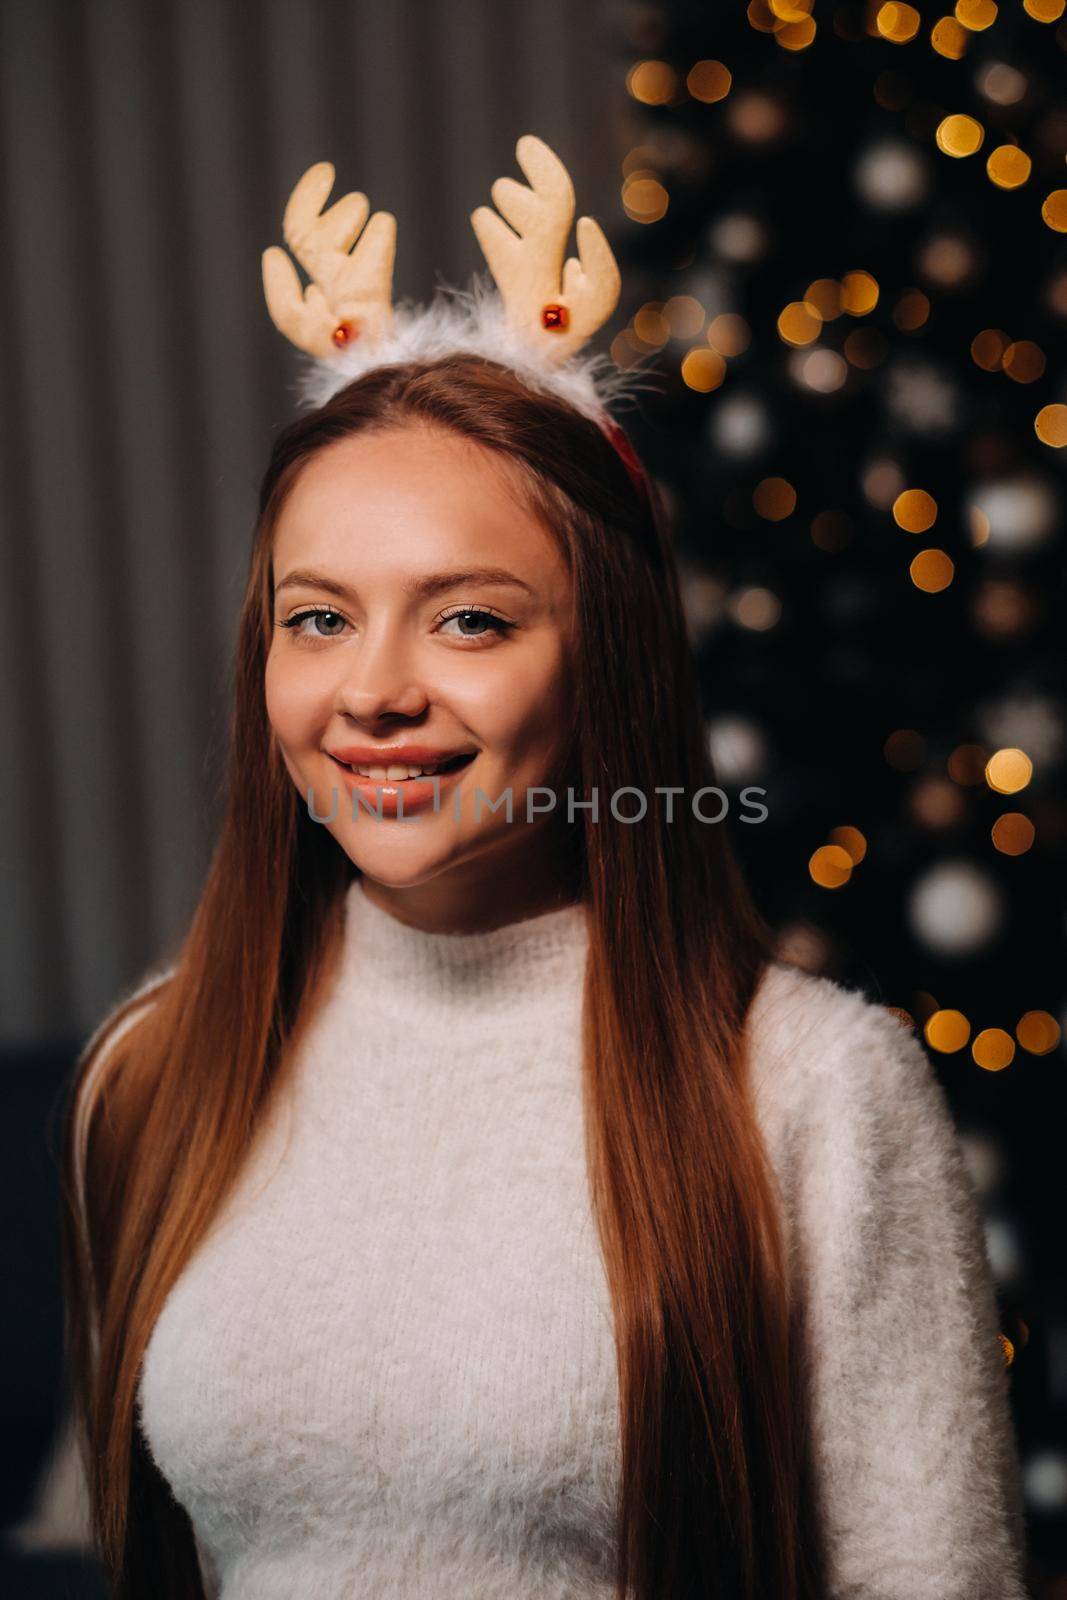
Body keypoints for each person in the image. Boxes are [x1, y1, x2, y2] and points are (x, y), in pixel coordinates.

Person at [59, 137, 1029, 1600]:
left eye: (470, 622)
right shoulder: (154, 1072)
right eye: (318, 620)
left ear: (606, 672)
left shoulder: (815, 1094)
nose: (373, 692)